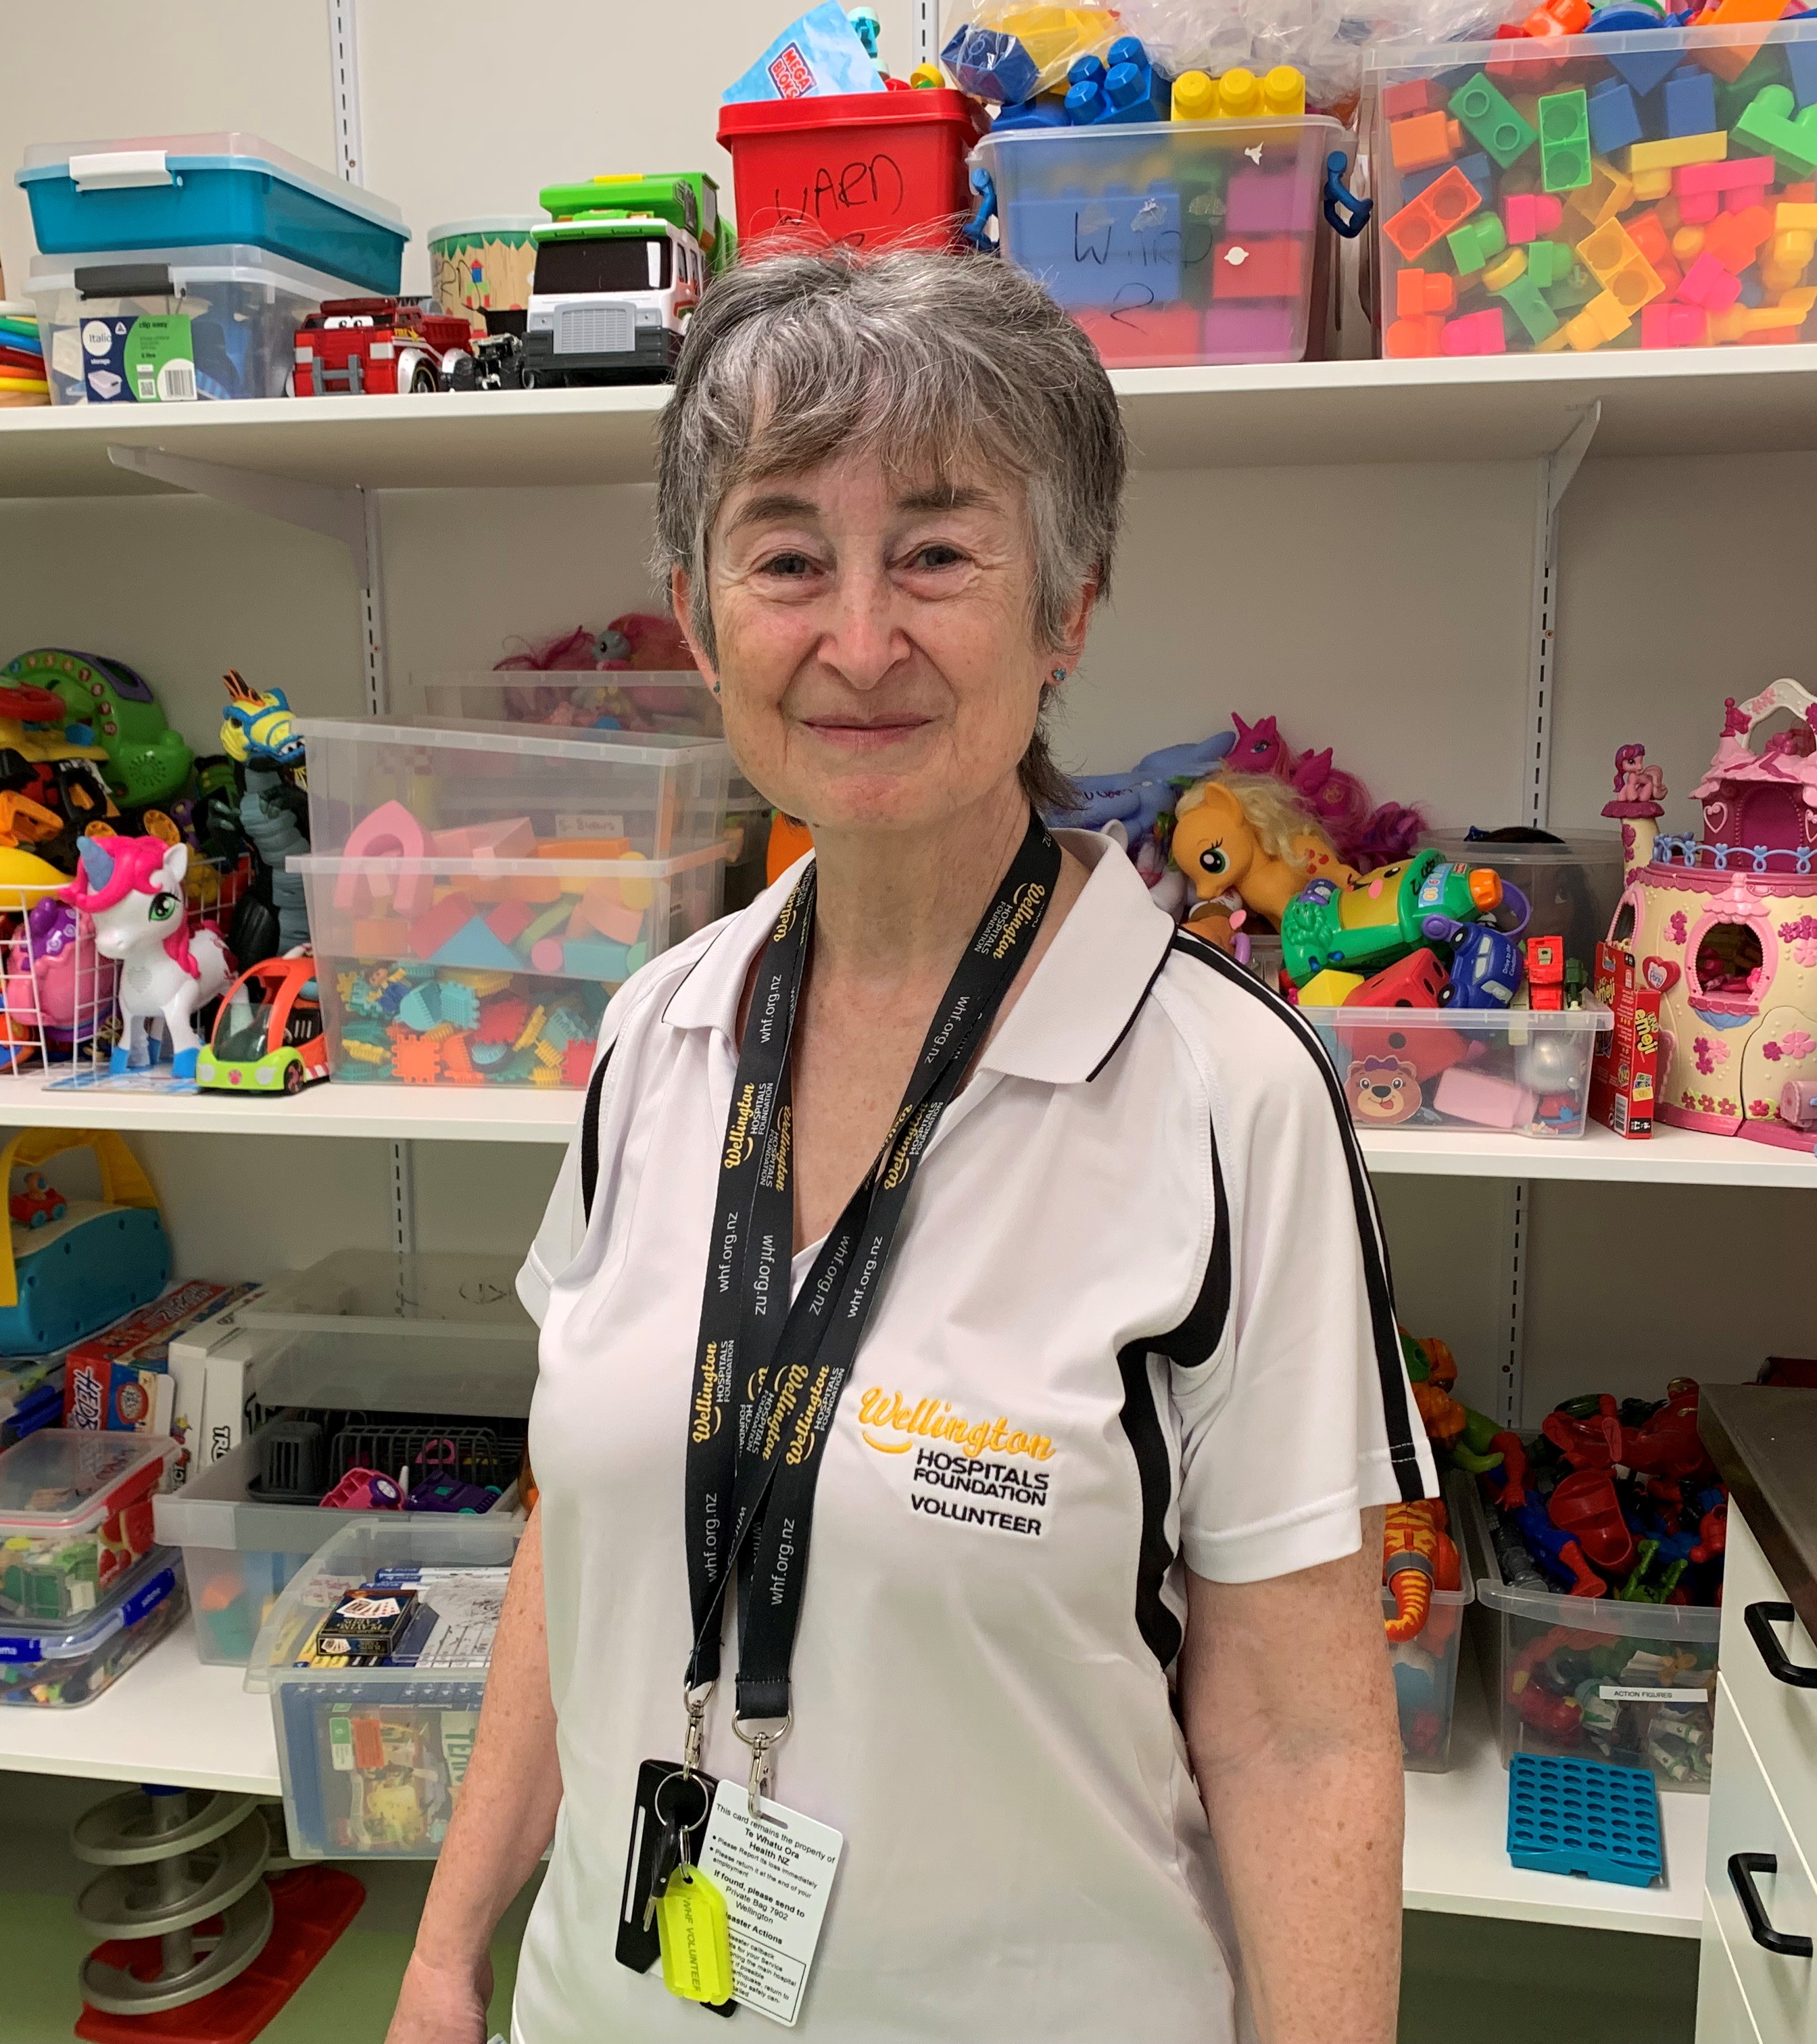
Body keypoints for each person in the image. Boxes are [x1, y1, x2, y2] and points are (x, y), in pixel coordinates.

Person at [387, 247, 1435, 2044]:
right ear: (702, 616)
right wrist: (443, 1949)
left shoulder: (1228, 1094)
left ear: (1066, 608)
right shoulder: (655, 1035)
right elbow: (589, 1533)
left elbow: (1302, 1733)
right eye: (788, 556)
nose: (857, 641)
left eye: (938, 553)